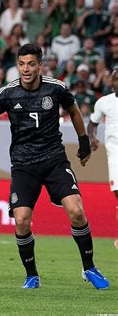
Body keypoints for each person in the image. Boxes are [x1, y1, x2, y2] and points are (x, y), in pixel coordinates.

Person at [0, 44, 109, 290]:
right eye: (22, 64)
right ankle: (32, 275)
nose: (26, 69)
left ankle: (89, 268)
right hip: (24, 166)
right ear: (17, 65)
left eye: (31, 64)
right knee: (22, 220)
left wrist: (84, 142)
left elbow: (75, 112)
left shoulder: (56, 88)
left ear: (40, 65)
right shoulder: (7, 93)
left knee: (77, 211)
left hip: (54, 160)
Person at [87, 68, 118, 249]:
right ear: (110, 82)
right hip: (115, 154)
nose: (116, 82)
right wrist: (92, 138)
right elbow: (92, 124)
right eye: (115, 79)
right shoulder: (103, 102)